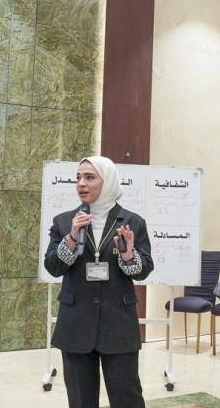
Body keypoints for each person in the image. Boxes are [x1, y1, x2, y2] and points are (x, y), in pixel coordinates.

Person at [44, 156, 153, 408]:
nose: (81, 183)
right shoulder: (64, 222)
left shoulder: (132, 222)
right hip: (76, 323)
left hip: (118, 323)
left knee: (127, 399)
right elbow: (53, 267)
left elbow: (144, 271)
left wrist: (129, 256)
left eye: (89, 177)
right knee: (81, 401)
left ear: (108, 181)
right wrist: (72, 238)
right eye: (78, 178)